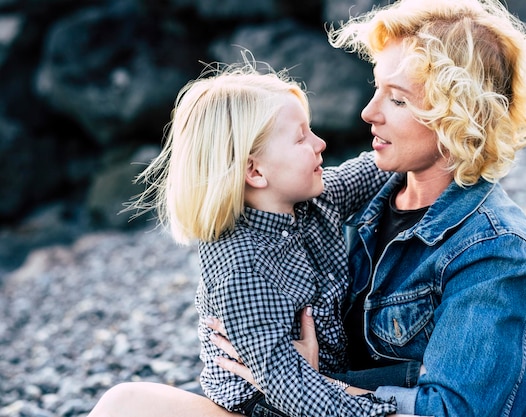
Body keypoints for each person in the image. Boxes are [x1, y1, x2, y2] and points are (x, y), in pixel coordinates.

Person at [88, 0, 526, 415]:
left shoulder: (494, 251)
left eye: (396, 99)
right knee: (122, 404)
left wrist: (310, 385)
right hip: (308, 402)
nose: (368, 113)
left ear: (456, 117)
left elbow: (456, 413)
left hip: (324, 405)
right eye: (376, 89)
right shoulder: (362, 193)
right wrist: (285, 374)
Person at [95, 60, 398, 417]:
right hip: (267, 401)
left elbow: (372, 169)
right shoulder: (241, 266)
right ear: (254, 171)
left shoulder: (313, 198)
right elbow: (287, 385)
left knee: (434, 380)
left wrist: (438, 136)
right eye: (301, 136)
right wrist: (379, 413)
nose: (320, 143)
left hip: (319, 377)